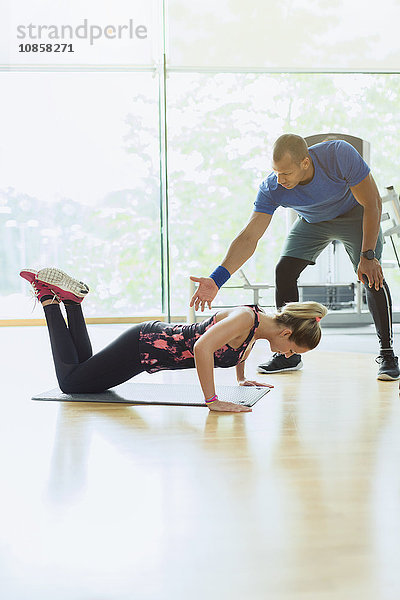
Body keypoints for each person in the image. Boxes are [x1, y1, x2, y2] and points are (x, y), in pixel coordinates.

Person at [190, 133, 399, 381]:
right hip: (312, 222)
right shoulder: (273, 187)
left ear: (305, 163)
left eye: (286, 173)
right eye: (276, 172)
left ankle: (387, 353)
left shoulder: (338, 155)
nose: (280, 179)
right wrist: (216, 280)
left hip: (355, 213)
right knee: (284, 271)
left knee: (370, 275)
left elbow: (372, 202)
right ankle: (288, 354)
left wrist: (368, 255)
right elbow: (249, 237)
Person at [20, 267, 328, 413]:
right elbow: (203, 347)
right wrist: (212, 400)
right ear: (286, 333)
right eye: (292, 350)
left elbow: (240, 348)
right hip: (144, 345)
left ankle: (72, 303)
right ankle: (49, 300)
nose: (287, 355)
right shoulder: (247, 319)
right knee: (71, 384)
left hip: (147, 350)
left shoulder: (259, 327)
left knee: (85, 372)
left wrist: (242, 379)